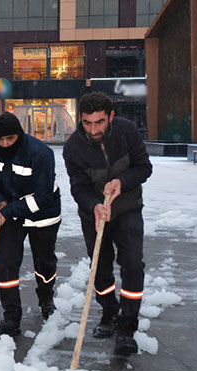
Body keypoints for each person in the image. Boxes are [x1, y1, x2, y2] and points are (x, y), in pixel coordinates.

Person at [62, 91, 152, 356]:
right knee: (100, 269)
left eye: (99, 122)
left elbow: (144, 168)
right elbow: (78, 187)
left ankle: (127, 328)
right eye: (87, 123)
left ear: (111, 116)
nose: (93, 129)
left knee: (132, 264)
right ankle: (109, 311)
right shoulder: (73, 147)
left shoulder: (127, 132)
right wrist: (95, 205)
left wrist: (122, 182)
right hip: (94, 214)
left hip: (127, 209)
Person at [0, 112, 61, 336]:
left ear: (19, 135)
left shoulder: (41, 153)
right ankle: (11, 317)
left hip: (43, 214)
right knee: (6, 263)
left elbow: (43, 195)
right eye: (0, 140)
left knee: (44, 262)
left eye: (10, 139)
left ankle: (46, 297)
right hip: (11, 215)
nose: (5, 144)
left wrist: (10, 209)